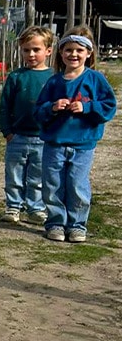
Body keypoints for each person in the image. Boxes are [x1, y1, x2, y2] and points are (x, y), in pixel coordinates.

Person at [34, 28, 117, 243]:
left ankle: (77, 225)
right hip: (55, 143)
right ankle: (55, 223)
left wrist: (88, 108)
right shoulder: (54, 82)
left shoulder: (95, 79)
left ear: (88, 53)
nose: (73, 54)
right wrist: (52, 107)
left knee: (77, 185)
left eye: (79, 50)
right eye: (68, 50)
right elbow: (38, 111)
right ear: (60, 54)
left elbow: (109, 106)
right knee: (53, 185)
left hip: (83, 144)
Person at [0, 26, 55, 224]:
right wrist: (7, 131)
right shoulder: (16, 77)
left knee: (37, 177)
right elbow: (5, 106)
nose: (31, 54)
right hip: (17, 136)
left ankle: (35, 208)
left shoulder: (54, 78)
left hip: (43, 137)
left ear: (48, 50)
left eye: (36, 49)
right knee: (14, 174)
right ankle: (13, 206)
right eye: (26, 50)